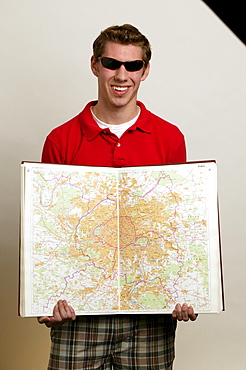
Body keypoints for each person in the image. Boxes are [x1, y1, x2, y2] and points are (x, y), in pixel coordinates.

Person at [38, 24, 197, 370]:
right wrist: (44, 300)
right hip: (79, 314)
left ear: (145, 70)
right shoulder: (60, 140)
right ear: (95, 65)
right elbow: (47, 232)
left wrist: (188, 290)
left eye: (133, 65)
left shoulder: (170, 138)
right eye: (111, 63)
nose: (121, 74)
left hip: (149, 315)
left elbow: (177, 226)